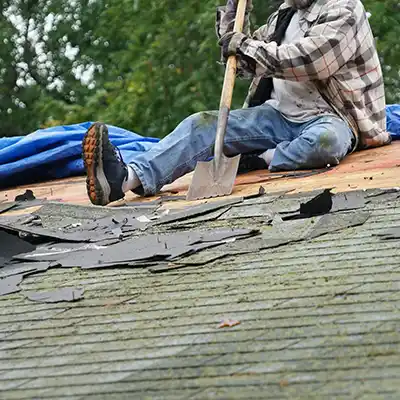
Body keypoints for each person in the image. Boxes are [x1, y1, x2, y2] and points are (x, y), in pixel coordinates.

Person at [82, 0, 390, 206]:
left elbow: (312, 61)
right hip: (279, 117)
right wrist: (231, 17)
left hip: (333, 118)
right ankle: (123, 179)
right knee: (202, 125)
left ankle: (260, 158)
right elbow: (240, 61)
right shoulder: (285, 16)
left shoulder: (345, 8)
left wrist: (245, 46)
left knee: (325, 142)